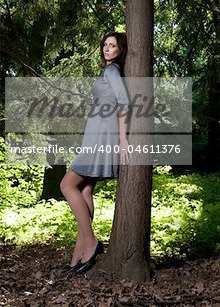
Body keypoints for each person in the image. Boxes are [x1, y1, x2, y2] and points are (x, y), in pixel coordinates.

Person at [60, 31, 130, 274]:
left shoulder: (112, 71)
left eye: (113, 46)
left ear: (121, 52)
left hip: (102, 136)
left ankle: (90, 242)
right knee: (85, 188)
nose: (107, 48)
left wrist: (122, 139)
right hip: (96, 133)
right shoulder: (108, 71)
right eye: (105, 44)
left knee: (67, 185)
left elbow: (125, 102)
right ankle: (80, 250)